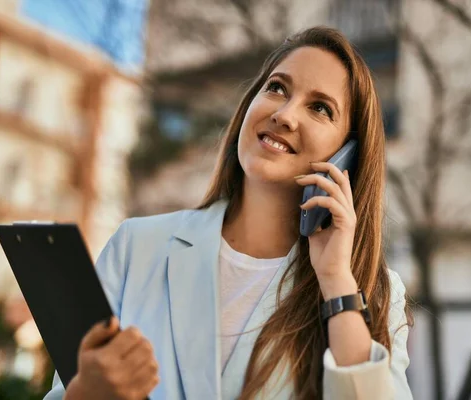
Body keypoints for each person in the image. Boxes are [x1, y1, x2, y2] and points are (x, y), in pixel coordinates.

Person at [45, 26, 412, 400]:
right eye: (277, 88)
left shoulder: (373, 292)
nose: (285, 114)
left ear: (346, 155)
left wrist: (336, 282)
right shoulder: (135, 247)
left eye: (320, 108)